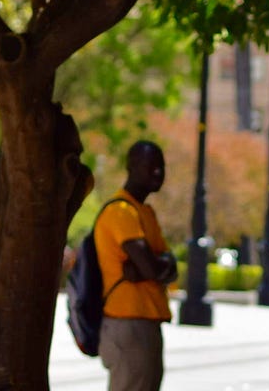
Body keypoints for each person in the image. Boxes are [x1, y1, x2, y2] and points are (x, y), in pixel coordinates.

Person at [95, 141, 178, 391]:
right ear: (131, 167)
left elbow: (168, 267)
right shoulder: (121, 211)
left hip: (147, 321)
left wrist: (155, 265)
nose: (157, 172)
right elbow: (153, 268)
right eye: (150, 165)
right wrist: (155, 266)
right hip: (128, 322)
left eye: (161, 166)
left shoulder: (145, 212)